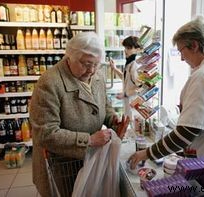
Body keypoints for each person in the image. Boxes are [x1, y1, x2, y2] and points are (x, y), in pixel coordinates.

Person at [128, 16, 204, 178]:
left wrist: (147, 153)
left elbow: (187, 132)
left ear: (194, 45)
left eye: (181, 51)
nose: (181, 58)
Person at [30, 32, 129, 197]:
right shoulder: (49, 82)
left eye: (96, 64)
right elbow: (45, 133)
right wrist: (88, 140)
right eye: (86, 64)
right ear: (69, 57)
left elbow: (105, 105)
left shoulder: (97, 75)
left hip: (91, 158)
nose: (91, 70)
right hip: (62, 164)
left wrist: (113, 119)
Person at [109, 36, 142, 122]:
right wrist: (115, 68)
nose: (125, 50)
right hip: (129, 104)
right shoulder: (130, 63)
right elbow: (126, 78)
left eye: (129, 48)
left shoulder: (135, 65)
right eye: (125, 48)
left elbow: (141, 87)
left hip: (134, 104)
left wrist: (125, 94)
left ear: (137, 49)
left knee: (134, 125)